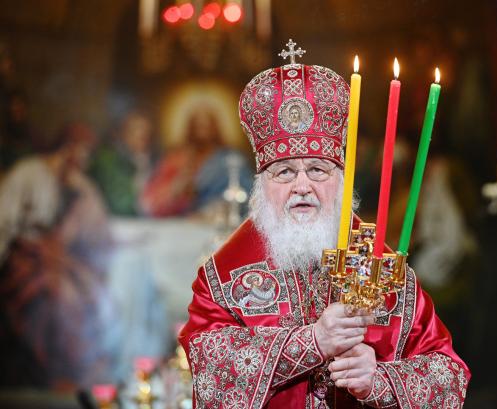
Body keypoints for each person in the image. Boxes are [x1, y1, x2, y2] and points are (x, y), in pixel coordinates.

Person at [179, 44, 470, 408]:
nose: (302, 186)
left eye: (318, 170)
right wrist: (312, 342)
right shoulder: (223, 278)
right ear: (262, 185)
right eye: (284, 172)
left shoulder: (384, 270)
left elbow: (449, 377)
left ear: (342, 179)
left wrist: (378, 381)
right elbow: (210, 373)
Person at [0, 122, 119, 389]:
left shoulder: (80, 185)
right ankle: (52, 373)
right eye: (77, 149)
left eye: (87, 152)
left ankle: (74, 372)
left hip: (58, 260)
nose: (82, 157)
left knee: (85, 294)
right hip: (22, 257)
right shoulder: (28, 172)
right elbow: (4, 221)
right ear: (63, 147)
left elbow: (97, 234)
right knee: (59, 295)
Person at [140, 104, 252, 218]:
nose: (202, 131)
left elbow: (247, 194)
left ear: (215, 127)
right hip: (180, 224)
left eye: (206, 125)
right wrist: (176, 188)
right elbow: (151, 201)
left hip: (218, 222)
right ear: (190, 127)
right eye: (197, 125)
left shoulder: (231, 159)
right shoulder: (175, 158)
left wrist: (215, 210)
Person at [90, 110, 156, 216]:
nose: (142, 136)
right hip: (115, 224)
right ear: (123, 133)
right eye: (135, 130)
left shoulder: (150, 161)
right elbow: (122, 204)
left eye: (147, 133)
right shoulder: (108, 159)